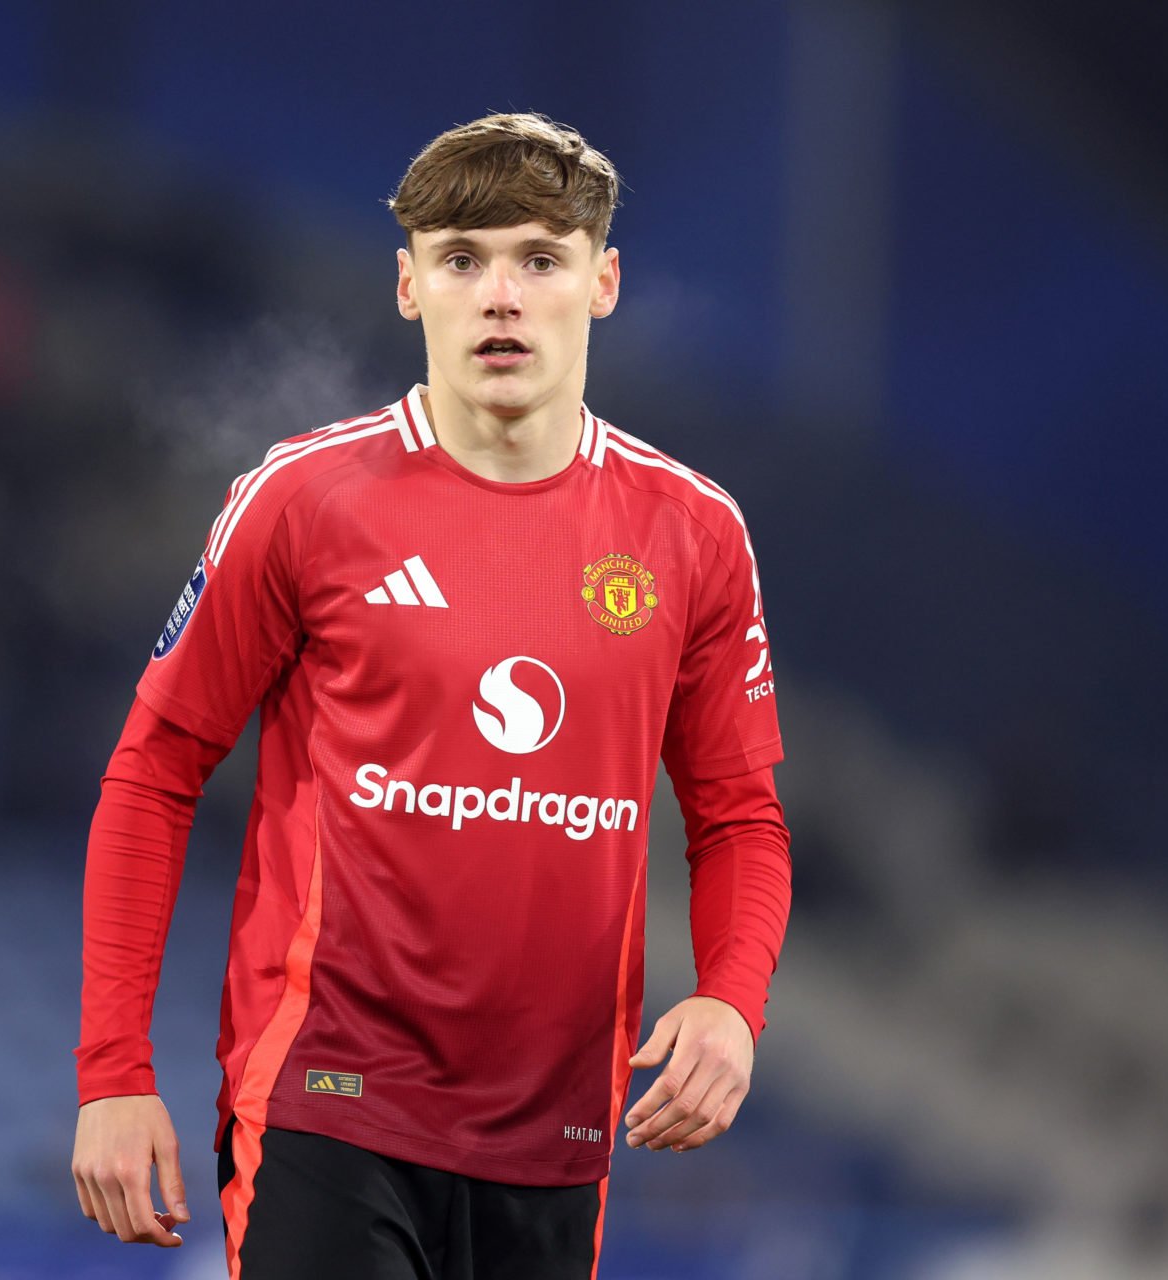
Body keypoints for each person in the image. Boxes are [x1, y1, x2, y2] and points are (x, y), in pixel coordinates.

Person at [71, 112, 791, 1279]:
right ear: (409, 287)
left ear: (604, 282)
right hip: (328, 1098)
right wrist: (113, 1069)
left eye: (540, 259)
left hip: (558, 1132)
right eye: (462, 260)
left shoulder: (693, 532)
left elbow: (741, 817)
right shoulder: (305, 500)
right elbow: (154, 767)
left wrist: (732, 1001)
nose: (500, 296)